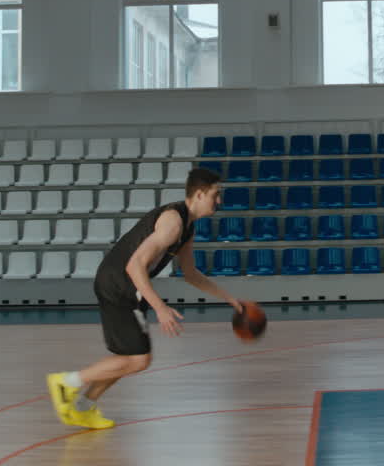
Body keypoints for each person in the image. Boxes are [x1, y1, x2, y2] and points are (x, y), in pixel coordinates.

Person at [46, 166, 242, 429]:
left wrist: (230, 299)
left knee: (126, 357)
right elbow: (134, 265)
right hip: (119, 284)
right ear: (198, 194)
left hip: (129, 287)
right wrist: (160, 307)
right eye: (216, 195)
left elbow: (191, 274)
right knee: (139, 359)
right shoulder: (173, 222)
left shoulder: (187, 228)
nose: (219, 201)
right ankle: (66, 382)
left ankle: (83, 406)